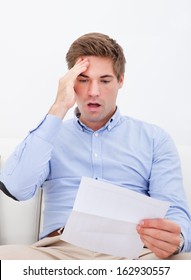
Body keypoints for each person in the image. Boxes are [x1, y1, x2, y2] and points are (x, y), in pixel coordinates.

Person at [0, 32, 191, 260]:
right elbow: (16, 187)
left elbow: (176, 213)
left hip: (135, 256)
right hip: (59, 252)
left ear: (120, 80)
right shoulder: (50, 135)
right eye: (83, 79)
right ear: (71, 83)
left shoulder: (154, 139)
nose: (93, 92)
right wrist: (59, 106)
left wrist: (177, 240)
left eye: (105, 80)